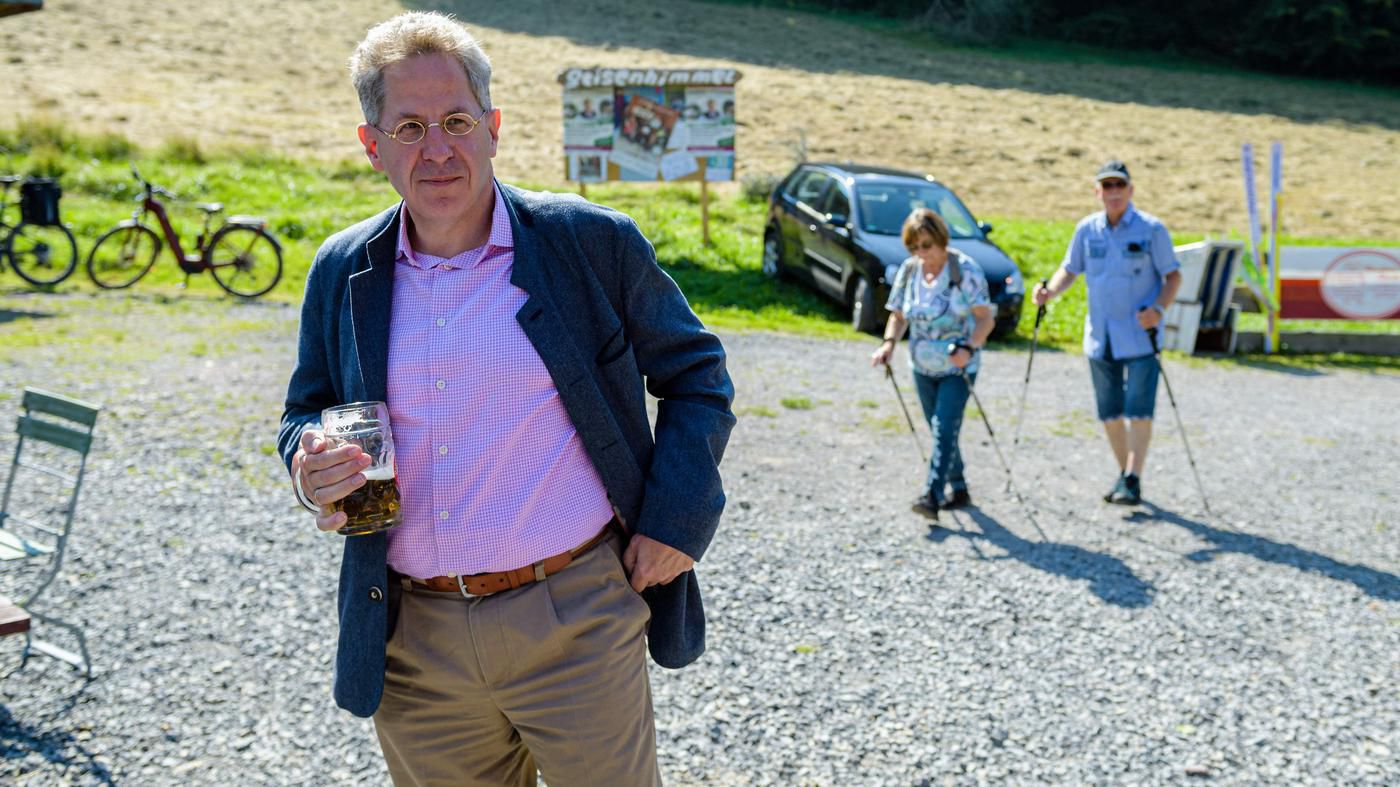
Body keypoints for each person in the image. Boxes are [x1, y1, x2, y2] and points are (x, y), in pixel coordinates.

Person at [276, 12, 735, 785]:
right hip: (412, 641)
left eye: (457, 120)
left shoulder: (590, 242)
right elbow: (305, 413)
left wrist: (676, 519)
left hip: (576, 619)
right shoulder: (341, 269)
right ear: (372, 145)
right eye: (410, 127)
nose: (438, 148)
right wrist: (308, 463)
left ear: (493, 127)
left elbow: (697, 375)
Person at [1032, 159, 1181, 505]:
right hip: (1101, 337)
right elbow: (1069, 270)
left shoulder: (1152, 230)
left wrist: (1158, 309)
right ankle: (1125, 476)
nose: (1113, 192)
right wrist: (1049, 292)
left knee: (1139, 410)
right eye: (1107, 186)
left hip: (1141, 336)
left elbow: (1172, 276)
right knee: (1110, 413)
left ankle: (1134, 475)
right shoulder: (1087, 230)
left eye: (1119, 186)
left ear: (1130, 190)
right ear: (1097, 191)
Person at [871, 208, 994, 523]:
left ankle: (932, 495)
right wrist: (888, 344)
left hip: (958, 367)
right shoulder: (910, 271)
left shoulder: (964, 271)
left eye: (926, 245)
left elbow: (985, 318)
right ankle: (960, 487)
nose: (921, 253)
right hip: (922, 366)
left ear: (941, 240)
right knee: (941, 429)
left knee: (943, 429)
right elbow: (898, 315)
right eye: (914, 247)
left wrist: (968, 348)